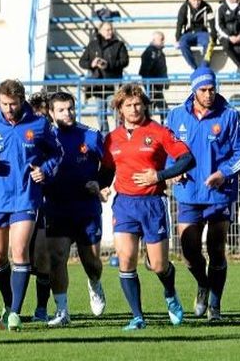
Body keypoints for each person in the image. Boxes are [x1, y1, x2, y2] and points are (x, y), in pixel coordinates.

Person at [0, 79, 63, 331]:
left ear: (21, 100)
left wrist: (45, 170)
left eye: (13, 104)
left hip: (25, 197)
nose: (9, 108)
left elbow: (57, 152)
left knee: (19, 252)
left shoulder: (39, 124)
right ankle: (4, 303)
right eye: (4, 104)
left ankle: (15, 312)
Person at [99, 84, 194, 330]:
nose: (134, 108)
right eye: (128, 105)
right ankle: (137, 317)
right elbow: (107, 170)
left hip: (153, 203)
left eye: (138, 103)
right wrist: (102, 186)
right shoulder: (112, 138)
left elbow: (187, 159)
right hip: (124, 205)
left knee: (159, 265)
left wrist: (159, 175)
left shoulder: (159, 132)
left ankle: (170, 293)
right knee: (126, 259)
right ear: (119, 109)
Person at [165, 66, 240, 321]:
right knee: (189, 252)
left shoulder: (229, 115)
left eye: (212, 89)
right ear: (193, 90)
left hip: (219, 194)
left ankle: (215, 306)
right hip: (188, 193)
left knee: (216, 249)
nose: (209, 94)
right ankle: (202, 285)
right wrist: (172, 170)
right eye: (204, 90)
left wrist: (224, 172)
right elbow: (165, 150)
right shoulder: (175, 116)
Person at [44, 91, 107, 327]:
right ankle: (62, 311)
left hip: (86, 208)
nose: (67, 113)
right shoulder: (46, 137)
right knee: (57, 258)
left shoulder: (90, 135)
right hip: (57, 206)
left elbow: (109, 165)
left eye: (70, 108)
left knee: (91, 261)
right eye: (61, 110)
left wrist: (100, 183)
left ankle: (94, 283)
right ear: (51, 113)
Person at [26, 91, 52, 323]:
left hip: (47, 203)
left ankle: (41, 309)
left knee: (43, 257)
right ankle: (9, 308)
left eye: (45, 116)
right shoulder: (23, 137)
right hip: (21, 202)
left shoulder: (54, 140)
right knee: (19, 257)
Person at [79, 21, 129, 135]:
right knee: (101, 114)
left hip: (114, 85)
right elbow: (82, 61)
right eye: (106, 29)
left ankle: (120, 135)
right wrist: (92, 64)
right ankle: (104, 137)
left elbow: (125, 61)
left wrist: (108, 65)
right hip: (98, 86)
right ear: (100, 31)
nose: (109, 32)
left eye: (111, 29)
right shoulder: (92, 44)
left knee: (115, 111)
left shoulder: (119, 44)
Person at [175, 0, 217, 70]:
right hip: (188, 33)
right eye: (194, 0)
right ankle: (195, 68)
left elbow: (212, 23)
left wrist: (214, 36)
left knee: (209, 43)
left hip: (202, 32)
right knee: (182, 44)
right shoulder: (184, 7)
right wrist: (177, 38)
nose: (196, 2)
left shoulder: (207, 7)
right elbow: (179, 23)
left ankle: (204, 67)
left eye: (198, 0)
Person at [139, 31, 169, 123]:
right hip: (152, 87)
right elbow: (145, 70)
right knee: (158, 110)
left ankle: (163, 130)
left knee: (160, 110)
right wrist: (150, 86)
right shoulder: (150, 52)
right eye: (161, 39)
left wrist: (165, 81)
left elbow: (162, 70)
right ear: (154, 40)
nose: (163, 42)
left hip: (157, 87)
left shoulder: (159, 53)